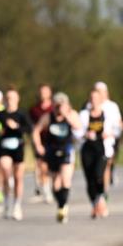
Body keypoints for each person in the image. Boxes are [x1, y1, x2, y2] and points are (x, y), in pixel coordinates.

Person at [32, 92, 82, 223]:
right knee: (56, 184)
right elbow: (36, 130)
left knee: (65, 180)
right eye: (57, 105)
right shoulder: (48, 117)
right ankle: (61, 204)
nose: (59, 108)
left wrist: (67, 117)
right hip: (52, 152)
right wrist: (38, 146)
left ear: (67, 105)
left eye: (62, 105)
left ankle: (63, 208)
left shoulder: (71, 115)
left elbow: (79, 128)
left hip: (67, 150)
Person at [78, 85, 120, 219]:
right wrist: (85, 134)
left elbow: (118, 129)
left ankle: (101, 199)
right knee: (89, 179)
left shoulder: (108, 113)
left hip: (103, 148)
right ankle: (95, 205)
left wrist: (109, 134)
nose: (94, 101)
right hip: (87, 149)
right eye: (92, 98)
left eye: (96, 98)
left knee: (98, 175)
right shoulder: (84, 115)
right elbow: (77, 132)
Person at [0, 86, 33, 220]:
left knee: (18, 178)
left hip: (18, 146)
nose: (10, 100)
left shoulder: (22, 113)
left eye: (12, 98)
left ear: (17, 99)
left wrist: (16, 127)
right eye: (8, 98)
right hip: (4, 145)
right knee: (5, 168)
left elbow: (29, 128)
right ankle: (7, 202)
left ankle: (16, 205)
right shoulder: (1, 113)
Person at [28, 83, 54, 203]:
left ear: (50, 93)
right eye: (41, 92)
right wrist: (36, 143)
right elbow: (31, 127)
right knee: (42, 166)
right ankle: (47, 192)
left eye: (45, 91)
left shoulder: (54, 108)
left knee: (52, 168)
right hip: (40, 142)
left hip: (53, 141)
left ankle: (54, 187)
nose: (43, 94)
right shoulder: (34, 109)